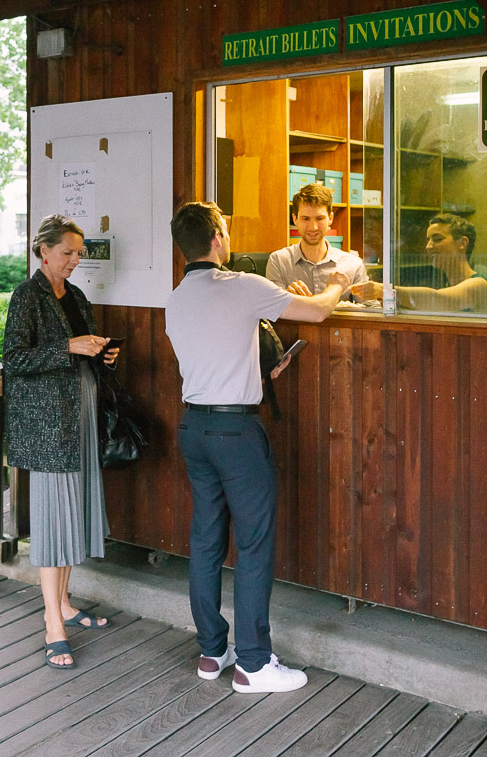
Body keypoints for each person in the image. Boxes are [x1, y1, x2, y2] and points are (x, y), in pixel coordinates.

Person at [165, 201, 349, 693]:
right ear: (219, 238)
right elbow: (317, 311)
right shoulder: (243, 286)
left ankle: (212, 652)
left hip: (194, 429)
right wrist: (339, 282)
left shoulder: (176, 297)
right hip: (237, 434)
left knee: (205, 542)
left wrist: (261, 371)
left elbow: (214, 352)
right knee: (252, 545)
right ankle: (253, 663)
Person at [3, 214, 119, 670]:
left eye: (79, 253)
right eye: (68, 252)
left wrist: (103, 352)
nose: (75, 261)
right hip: (48, 426)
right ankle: (53, 623)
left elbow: (85, 351)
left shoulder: (75, 296)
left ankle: (66, 604)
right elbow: (13, 360)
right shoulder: (25, 297)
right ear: (43, 251)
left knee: (72, 516)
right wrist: (69, 348)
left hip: (81, 416)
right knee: (53, 525)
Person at [352, 212, 487, 312]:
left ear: (463, 243)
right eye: (428, 240)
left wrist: (384, 291)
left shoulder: (479, 285)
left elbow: (438, 300)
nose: (428, 246)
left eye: (437, 239)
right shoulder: (446, 284)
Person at [265, 182, 369, 299]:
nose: (313, 227)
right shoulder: (278, 261)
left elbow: (371, 312)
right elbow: (273, 311)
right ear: (295, 219)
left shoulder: (353, 265)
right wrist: (290, 302)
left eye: (319, 218)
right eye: (306, 219)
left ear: (330, 218)